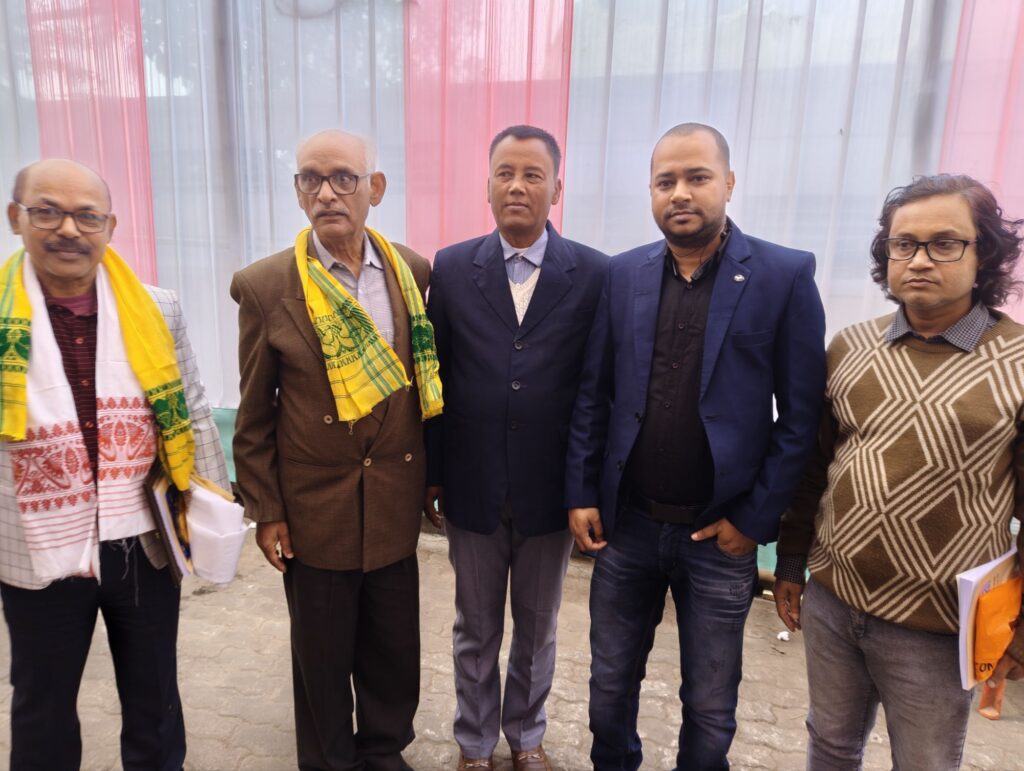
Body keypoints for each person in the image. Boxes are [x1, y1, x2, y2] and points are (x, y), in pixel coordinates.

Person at [564, 122, 826, 770]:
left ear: (728, 183)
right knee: (607, 688)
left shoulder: (783, 275)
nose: (680, 192)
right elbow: (594, 393)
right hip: (627, 527)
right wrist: (581, 492)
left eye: (697, 177)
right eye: (665, 181)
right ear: (651, 192)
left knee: (709, 705)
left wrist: (754, 521)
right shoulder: (622, 274)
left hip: (720, 535)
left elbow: (801, 419)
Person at [773, 174, 1024, 771]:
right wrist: (790, 562)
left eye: (945, 243)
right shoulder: (849, 348)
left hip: (938, 627)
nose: (919, 260)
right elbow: (814, 470)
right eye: (903, 244)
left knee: (924, 762)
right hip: (833, 602)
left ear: (984, 254)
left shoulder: (1016, 361)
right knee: (830, 745)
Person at [0, 159, 230, 770]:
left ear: (110, 226)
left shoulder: (156, 307)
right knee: (42, 706)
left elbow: (192, 407)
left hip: (142, 541)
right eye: (47, 211)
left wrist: (216, 506)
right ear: (16, 217)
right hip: (37, 548)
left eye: (87, 216)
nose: (68, 229)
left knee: (155, 701)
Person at [230, 129, 440, 771]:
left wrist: (434, 479)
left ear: (374, 188)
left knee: (392, 647)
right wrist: (266, 510)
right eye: (311, 179)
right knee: (320, 654)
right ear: (298, 193)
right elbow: (254, 414)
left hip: (393, 496)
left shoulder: (411, 271)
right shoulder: (266, 285)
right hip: (314, 507)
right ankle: (328, 759)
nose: (326, 193)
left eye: (343, 178)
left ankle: (383, 749)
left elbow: (424, 387)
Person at [424, 125, 607, 771]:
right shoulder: (451, 268)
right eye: (505, 173)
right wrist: (434, 473)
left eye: (533, 174)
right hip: (472, 483)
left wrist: (584, 487)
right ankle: (475, 743)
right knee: (475, 626)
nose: (518, 186)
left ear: (557, 188)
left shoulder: (593, 273)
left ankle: (527, 736)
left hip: (549, 491)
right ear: (487, 186)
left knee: (537, 625)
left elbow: (595, 389)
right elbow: (436, 376)